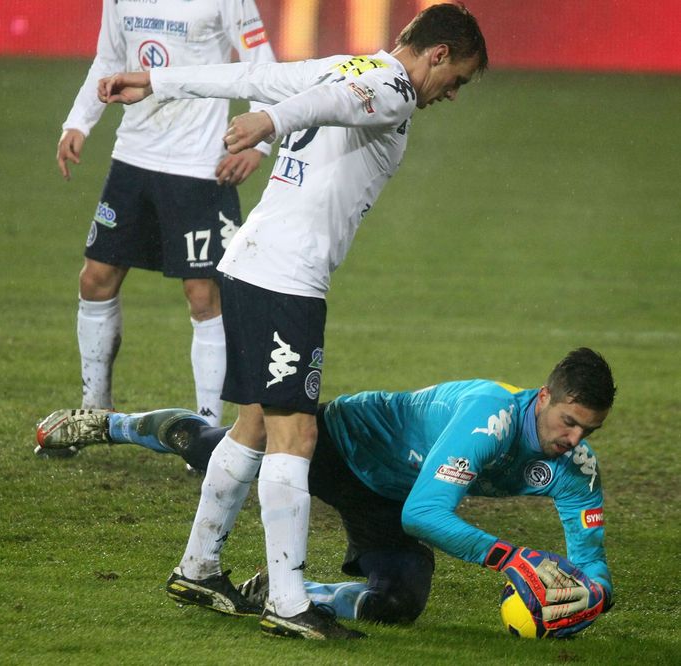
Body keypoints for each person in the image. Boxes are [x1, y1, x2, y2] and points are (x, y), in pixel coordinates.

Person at [97, 2, 489, 639]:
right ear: (439, 53)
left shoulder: (350, 68)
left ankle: (198, 567)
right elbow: (292, 102)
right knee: (295, 437)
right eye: (459, 78)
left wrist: (159, 81)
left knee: (253, 427)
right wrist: (266, 122)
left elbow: (254, 77)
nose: (452, 93)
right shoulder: (390, 86)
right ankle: (288, 602)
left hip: (250, 264)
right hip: (286, 279)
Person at [37, 347, 616, 638]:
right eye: (568, 420)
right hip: (341, 444)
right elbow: (426, 513)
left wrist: (590, 599)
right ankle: (110, 424)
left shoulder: (576, 467)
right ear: (543, 397)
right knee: (206, 447)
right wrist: (513, 557)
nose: (574, 438)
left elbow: (595, 570)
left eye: (587, 429)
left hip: (390, 493)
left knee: (399, 604)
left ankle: (290, 588)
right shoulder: (488, 417)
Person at [55, 0, 276, 430]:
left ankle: (207, 429)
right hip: (134, 155)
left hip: (199, 163)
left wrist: (259, 142)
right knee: (95, 279)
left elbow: (260, 64)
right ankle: (96, 410)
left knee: (203, 295)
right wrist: (78, 122)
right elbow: (109, 56)